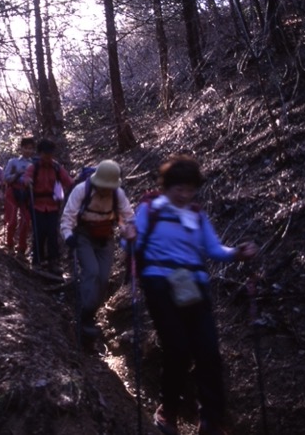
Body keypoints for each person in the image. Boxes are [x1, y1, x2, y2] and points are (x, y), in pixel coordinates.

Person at [133, 154, 258, 435]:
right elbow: (133, 244)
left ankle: (211, 420)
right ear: (167, 187)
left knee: (208, 350)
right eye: (180, 188)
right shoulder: (150, 209)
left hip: (192, 284)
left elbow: (213, 249)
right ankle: (168, 411)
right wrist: (127, 236)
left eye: (190, 189)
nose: (185, 194)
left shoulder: (196, 214)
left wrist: (238, 253)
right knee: (177, 348)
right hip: (158, 282)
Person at [61, 160, 136, 343]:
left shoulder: (118, 194)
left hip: (106, 237)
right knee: (92, 272)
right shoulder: (81, 190)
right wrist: (68, 235)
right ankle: (84, 317)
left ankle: (90, 313)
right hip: (83, 235)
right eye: (103, 186)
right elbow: (68, 216)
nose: (106, 190)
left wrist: (129, 230)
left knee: (103, 278)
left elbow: (128, 217)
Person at [21, 138, 74, 268]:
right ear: (40, 154)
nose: (48, 157)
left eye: (50, 154)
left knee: (52, 232)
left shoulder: (56, 168)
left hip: (52, 206)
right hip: (36, 205)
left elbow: (68, 181)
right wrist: (28, 182)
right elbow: (26, 177)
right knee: (39, 232)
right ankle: (37, 260)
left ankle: (53, 260)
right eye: (45, 154)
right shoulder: (34, 167)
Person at [3, 137, 35, 258]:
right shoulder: (13, 162)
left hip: (27, 193)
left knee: (26, 220)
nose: (28, 151)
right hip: (13, 191)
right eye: (25, 148)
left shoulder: (34, 163)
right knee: (12, 219)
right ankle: (9, 244)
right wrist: (18, 174)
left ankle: (22, 248)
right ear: (21, 148)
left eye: (30, 148)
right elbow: (5, 178)